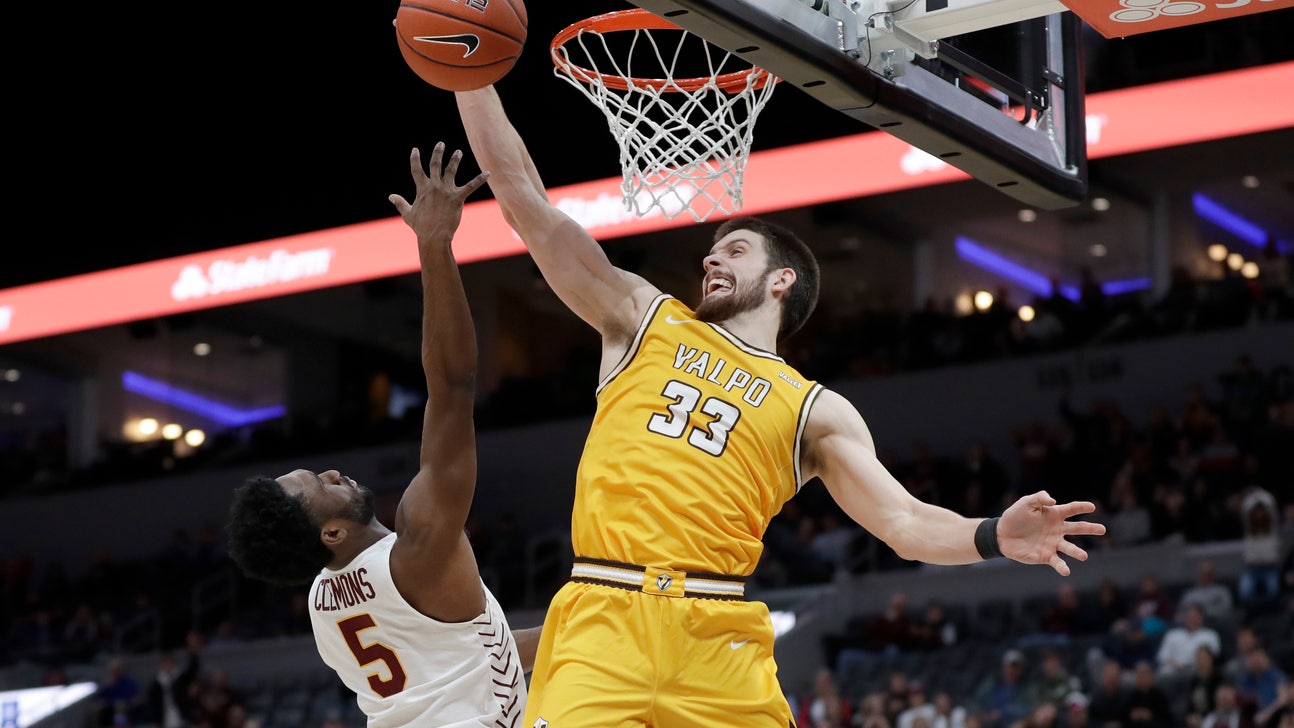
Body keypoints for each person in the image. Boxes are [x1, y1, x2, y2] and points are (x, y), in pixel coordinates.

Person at [455, 84, 1107, 728]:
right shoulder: (643, 318)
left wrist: (992, 534)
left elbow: (904, 520)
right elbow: (525, 201)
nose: (712, 259)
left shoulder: (815, 409)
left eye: (735, 250)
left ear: (781, 279)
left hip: (717, 634)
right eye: (711, 253)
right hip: (603, 611)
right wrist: (471, 75)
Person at [225, 144, 540, 727]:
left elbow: (466, 662)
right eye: (318, 486)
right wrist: (434, 245)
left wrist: (591, 629)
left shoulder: (323, 605)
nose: (332, 473)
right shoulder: (418, 547)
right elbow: (452, 387)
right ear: (332, 531)